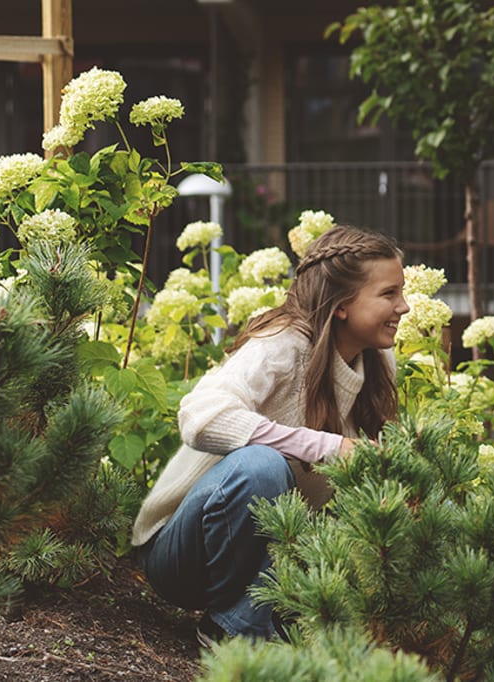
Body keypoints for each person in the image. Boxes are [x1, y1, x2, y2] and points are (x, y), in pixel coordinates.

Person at [131, 226, 409, 643]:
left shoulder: (378, 363)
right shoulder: (283, 344)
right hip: (182, 556)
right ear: (341, 305)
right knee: (261, 466)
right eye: (389, 294)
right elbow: (200, 416)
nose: (403, 307)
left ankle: (247, 625)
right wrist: (326, 447)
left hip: (268, 565)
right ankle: (234, 629)